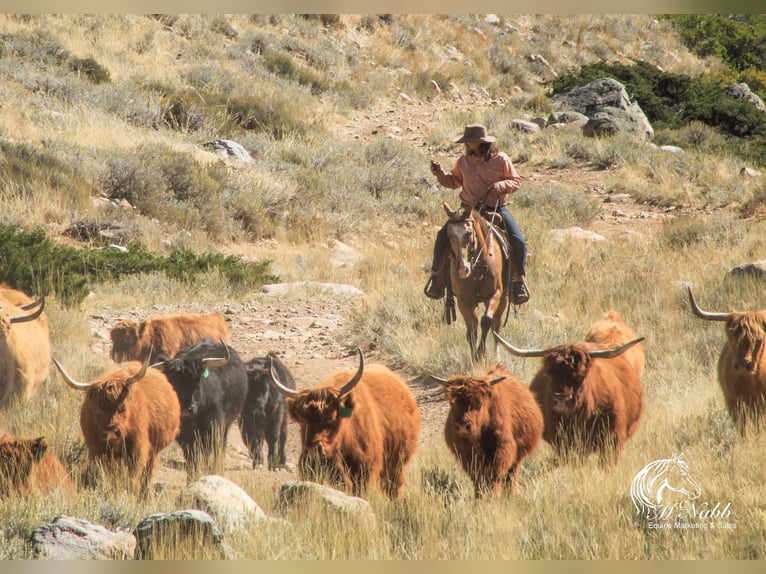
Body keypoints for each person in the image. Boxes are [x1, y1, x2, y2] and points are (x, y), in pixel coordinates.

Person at [424, 124, 530, 305]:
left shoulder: (501, 159)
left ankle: (518, 281)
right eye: (467, 142)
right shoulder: (464, 162)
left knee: (518, 240)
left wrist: (502, 186)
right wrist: (440, 174)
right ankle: (437, 279)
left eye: (470, 142)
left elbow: (515, 181)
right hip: (467, 211)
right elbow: (454, 181)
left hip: (495, 209)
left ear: (481, 143)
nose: (467, 145)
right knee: (443, 237)